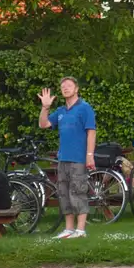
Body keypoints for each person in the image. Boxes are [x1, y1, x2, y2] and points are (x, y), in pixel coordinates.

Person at [38, 77, 95, 239]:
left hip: (79, 158)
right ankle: (69, 229)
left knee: (78, 191)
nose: (65, 88)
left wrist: (89, 155)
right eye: (63, 86)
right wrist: (45, 107)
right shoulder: (61, 111)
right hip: (63, 158)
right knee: (63, 193)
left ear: (76, 89)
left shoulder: (85, 108)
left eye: (69, 86)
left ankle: (80, 230)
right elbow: (43, 124)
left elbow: (91, 131)